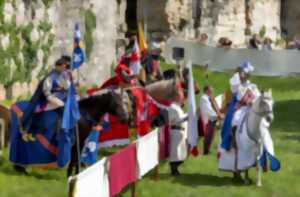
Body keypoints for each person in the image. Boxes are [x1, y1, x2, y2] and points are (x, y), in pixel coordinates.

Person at [219, 61, 260, 180]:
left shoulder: (252, 86)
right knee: (235, 121)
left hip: (249, 108)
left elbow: (256, 96)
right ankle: (232, 139)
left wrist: (253, 102)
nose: (247, 75)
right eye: (245, 73)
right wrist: (238, 75)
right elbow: (237, 91)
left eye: (248, 73)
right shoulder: (236, 82)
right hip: (239, 107)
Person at [200, 85, 223, 155]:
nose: (212, 91)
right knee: (208, 136)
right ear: (206, 90)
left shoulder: (209, 98)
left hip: (212, 119)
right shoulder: (204, 98)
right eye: (210, 90)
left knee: (211, 135)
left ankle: (207, 150)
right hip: (208, 119)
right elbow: (209, 110)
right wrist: (218, 116)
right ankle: (205, 151)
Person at [168, 97, 188, 176]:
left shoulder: (178, 108)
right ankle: (174, 170)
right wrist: (185, 118)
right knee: (175, 152)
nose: (185, 101)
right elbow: (172, 121)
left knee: (182, 153)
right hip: (175, 131)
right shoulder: (172, 107)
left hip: (181, 131)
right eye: (183, 99)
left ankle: (175, 168)